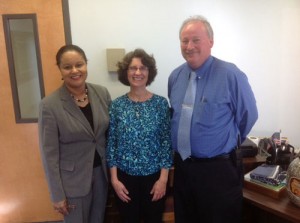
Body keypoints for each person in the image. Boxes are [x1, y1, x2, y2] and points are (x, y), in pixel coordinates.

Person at [168, 15, 258, 223]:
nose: (189, 46)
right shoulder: (175, 76)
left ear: (211, 41)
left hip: (218, 172)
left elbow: (248, 116)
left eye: (196, 39)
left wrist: (224, 140)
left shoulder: (231, 75)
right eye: (184, 40)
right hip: (183, 169)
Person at [38, 44, 111, 223]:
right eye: (67, 66)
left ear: (86, 64)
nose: (75, 70)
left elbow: (108, 135)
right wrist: (57, 194)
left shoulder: (101, 93)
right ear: (60, 70)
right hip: (72, 182)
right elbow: (49, 155)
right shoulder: (50, 105)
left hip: (101, 175)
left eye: (79, 64)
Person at [106, 48, 173, 223]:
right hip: (124, 179)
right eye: (132, 68)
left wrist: (163, 180)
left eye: (142, 68)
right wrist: (114, 180)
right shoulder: (117, 105)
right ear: (125, 72)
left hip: (154, 178)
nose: (137, 72)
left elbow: (166, 142)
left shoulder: (160, 104)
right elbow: (111, 143)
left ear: (149, 72)